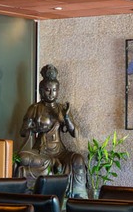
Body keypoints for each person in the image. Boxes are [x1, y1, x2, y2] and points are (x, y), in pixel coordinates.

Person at [17, 64, 88, 198]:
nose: (51, 93)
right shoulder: (34, 108)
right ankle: (52, 166)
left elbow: (75, 133)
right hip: (41, 152)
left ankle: (79, 197)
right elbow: (23, 132)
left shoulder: (62, 108)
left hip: (60, 151)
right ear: (41, 90)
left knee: (78, 159)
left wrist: (66, 117)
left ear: (58, 90)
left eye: (54, 90)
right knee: (22, 158)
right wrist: (32, 128)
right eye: (47, 90)